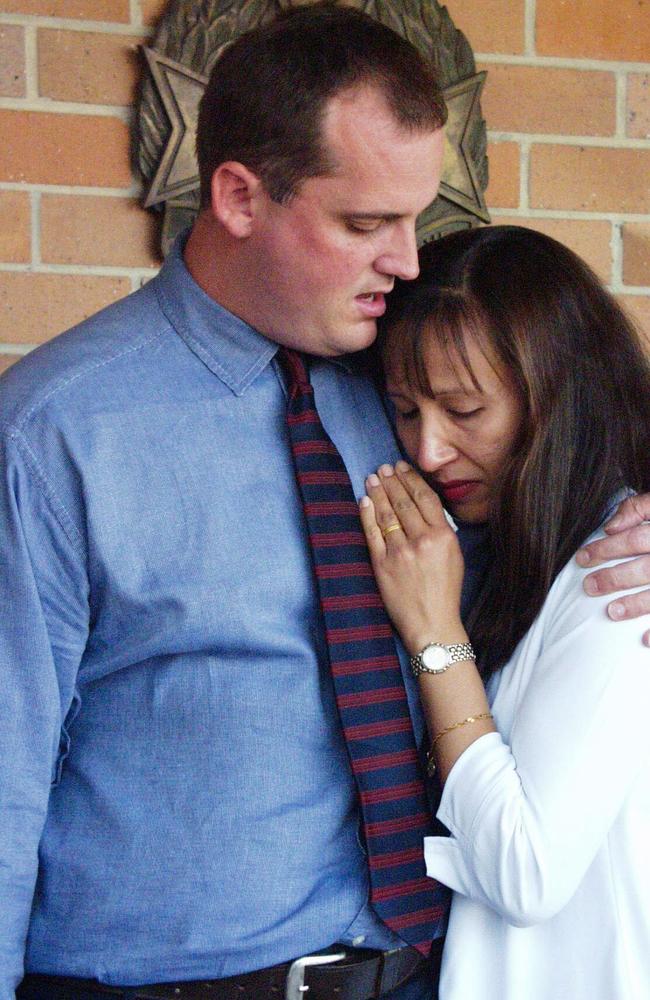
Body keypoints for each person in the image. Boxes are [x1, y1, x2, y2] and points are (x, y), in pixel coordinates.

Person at [0, 7, 648, 1000]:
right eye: (363, 223)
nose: (403, 258)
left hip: (416, 977)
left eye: (414, 218)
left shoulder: (403, 396)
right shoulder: (55, 433)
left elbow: (568, 443)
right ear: (237, 195)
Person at [358, 224, 650, 999]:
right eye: (405, 409)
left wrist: (433, 634)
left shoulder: (618, 576)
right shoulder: (519, 549)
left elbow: (527, 873)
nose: (427, 451)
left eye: (463, 410)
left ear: (557, 400)